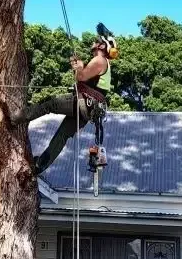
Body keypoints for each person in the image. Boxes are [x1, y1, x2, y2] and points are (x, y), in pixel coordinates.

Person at [26, 28, 116, 176]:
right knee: (61, 136)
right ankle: (38, 167)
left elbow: (81, 77)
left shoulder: (99, 60)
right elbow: (80, 80)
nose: (93, 42)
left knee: (50, 103)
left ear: (101, 46)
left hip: (84, 103)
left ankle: (17, 118)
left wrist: (79, 68)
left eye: (97, 41)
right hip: (88, 109)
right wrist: (78, 68)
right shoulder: (102, 63)